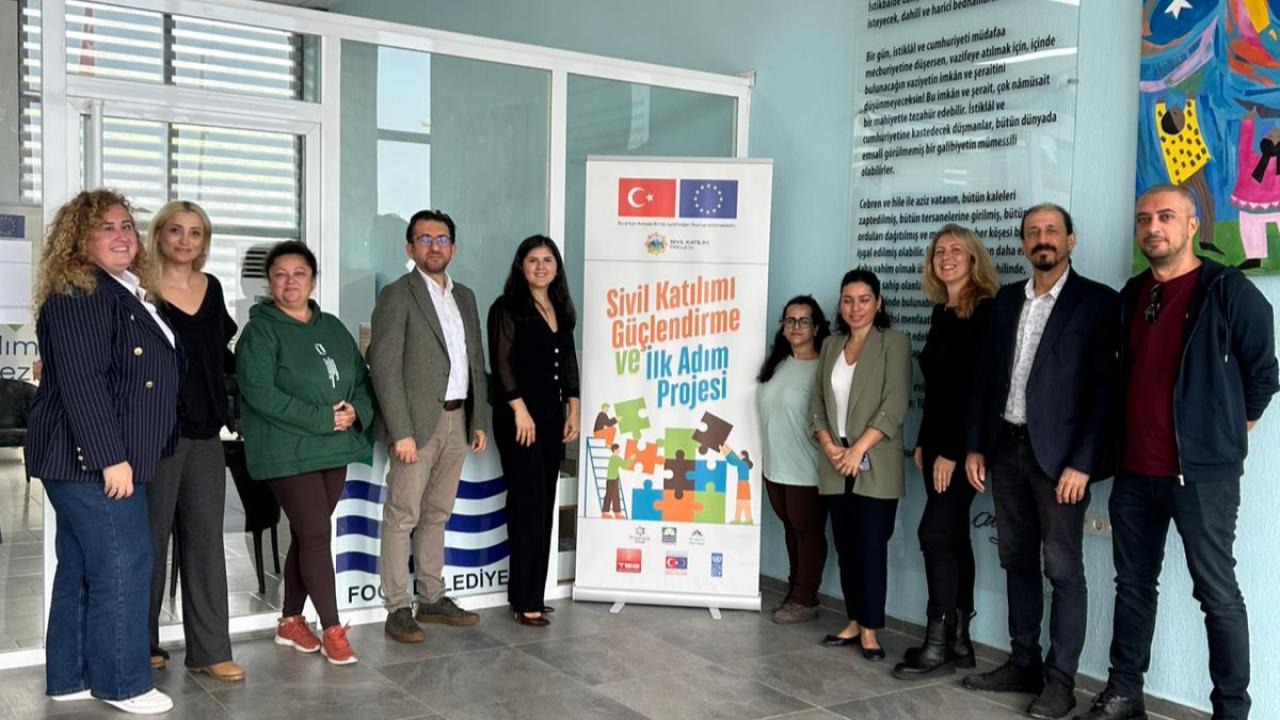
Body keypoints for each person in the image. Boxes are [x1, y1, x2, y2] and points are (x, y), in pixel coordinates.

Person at [1075, 186, 1278, 720]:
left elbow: (1264, 374)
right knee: (1133, 586)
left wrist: (1225, 431)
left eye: (1166, 216)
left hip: (1202, 477)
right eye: (1144, 219)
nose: (1153, 227)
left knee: (1216, 592)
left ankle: (1231, 710)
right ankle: (1124, 693)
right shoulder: (1132, 293)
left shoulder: (1227, 290)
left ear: (1192, 225)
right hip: (1135, 473)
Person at [963, 203, 1119, 720]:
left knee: (1063, 567)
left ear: (1070, 240)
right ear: (1023, 243)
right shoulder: (1007, 301)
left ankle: (1060, 682)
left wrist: (1084, 463)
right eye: (1033, 231)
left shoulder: (1097, 302)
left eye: (1052, 230)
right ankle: (1023, 662)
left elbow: (1104, 392)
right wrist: (976, 445)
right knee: (1016, 560)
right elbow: (987, 378)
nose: (1043, 238)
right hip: (1006, 448)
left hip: (1061, 461)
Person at [26, 189, 179, 714]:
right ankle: (122, 684)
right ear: (79, 238)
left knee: (82, 566)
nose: (121, 236)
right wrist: (110, 457)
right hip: (91, 459)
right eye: (106, 227)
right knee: (124, 563)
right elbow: (83, 383)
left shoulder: (119, 291)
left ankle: (70, 677)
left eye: (126, 226)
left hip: (90, 457)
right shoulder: (81, 292)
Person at [235, 241, 374, 665]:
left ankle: (290, 620)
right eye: (280, 274)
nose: (289, 281)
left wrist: (355, 411)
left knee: (305, 533)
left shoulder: (332, 327)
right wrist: (322, 418)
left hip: (332, 447)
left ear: (312, 280)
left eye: (299, 273)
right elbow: (260, 393)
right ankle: (332, 629)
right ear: (269, 282)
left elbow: (361, 380)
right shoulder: (260, 331)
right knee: (315, 533)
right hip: (286, 449)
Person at [368, 209, 488, 644]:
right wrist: (400, 429)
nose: (434, 246)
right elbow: (384, 367)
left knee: (438, 514)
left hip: (458, 419)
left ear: (452, 247)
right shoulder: (397, 295)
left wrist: (478, 418)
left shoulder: (465, 297)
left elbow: (474, 360)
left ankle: (432, 597)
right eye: (424, 239)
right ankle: (398, 606)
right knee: (403, 516)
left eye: (441, 239)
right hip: (416, 425)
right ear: (410, 247)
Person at [144, 200, 243, 681]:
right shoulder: (139, 289)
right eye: (176, 230)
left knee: (205, 543)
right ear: (159, 235)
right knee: (149, 542)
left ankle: (209, 650)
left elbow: (220, 355)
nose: (185, 240)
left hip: (205, 433)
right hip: (154, 434)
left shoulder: (213, 287)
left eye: (196, 232)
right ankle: (140, 643)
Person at [894, 223, 998, 680]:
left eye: (957, 249)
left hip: (963, 449)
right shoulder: (942, 312)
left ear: (973, 259)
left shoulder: (986, 310)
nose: (947, 257)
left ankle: (937, 643)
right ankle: (959, 642)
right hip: (936, 444)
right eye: (939, 251)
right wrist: (923, 441)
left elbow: (978, 388)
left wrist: (953, 451)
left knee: (934, 534)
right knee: (953, 536)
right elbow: (937, 390)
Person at [809, 269, 911, 660]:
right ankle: (853, 621)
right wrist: (829, 445)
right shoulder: (831, 345)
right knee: (846, 544)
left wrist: (858, 450)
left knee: (871, 545)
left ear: (878, 303)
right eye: (848, 300)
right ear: (840, 305)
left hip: (875, 461)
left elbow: (895, 403)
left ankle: (870, 629)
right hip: (835, 461)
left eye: (864, 299)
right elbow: (817, 403)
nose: (855, 307)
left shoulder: (893, 343)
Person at [488, 235, 580, 627]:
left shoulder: (560, 306)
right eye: (532, 260)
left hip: (551, 414)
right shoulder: (507, 307)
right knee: (527, 504)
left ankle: (531, 594)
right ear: (520, 266)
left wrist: (573, 407)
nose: (541, 266)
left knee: (544, 504)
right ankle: (524, 599)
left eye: (548, 260)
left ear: (556, 268)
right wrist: (519, 410)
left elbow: (568, 360)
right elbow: (501, 362)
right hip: (519, 417)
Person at [756, 295, 830, 625]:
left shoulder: (823, 368)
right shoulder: (778, 363)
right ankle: (795, 590)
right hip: (775, 465)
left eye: (803, 321)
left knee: (807, 532)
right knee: (792, 530)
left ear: (816, 328)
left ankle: (805, 598)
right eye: (790, 320)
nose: (796, 326)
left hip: (807, 468)